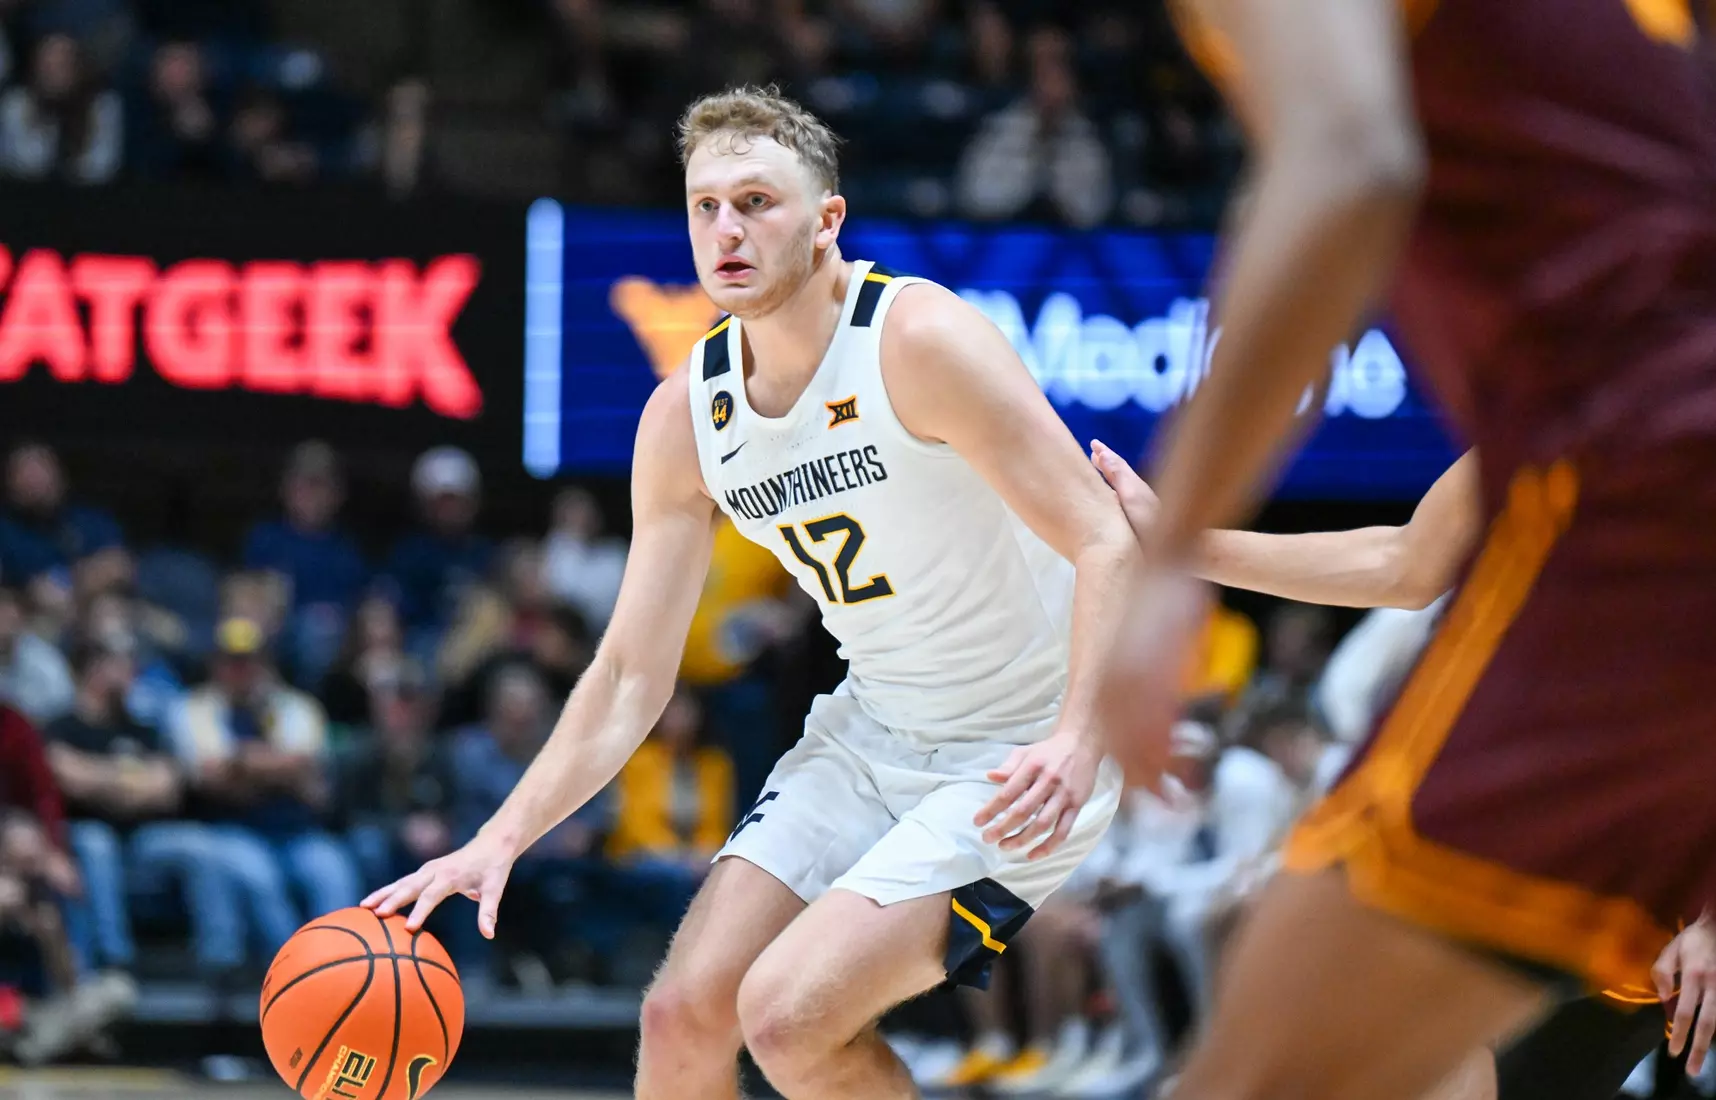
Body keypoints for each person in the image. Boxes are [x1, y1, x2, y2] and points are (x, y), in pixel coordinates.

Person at [364, 83, 1137, 1100]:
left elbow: (1109, 538)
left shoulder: (918, 339)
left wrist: (1079, 737)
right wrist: (501, 833)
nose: (726, 228)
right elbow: (631, 673)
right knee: (681, 1014)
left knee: (787, 1018)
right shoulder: (687, 413)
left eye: (757, 202)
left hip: (1022, 747)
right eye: (705, 205)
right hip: (873, 731)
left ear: (826, 222)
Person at [1095, 442, 1716, 1095]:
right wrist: (1183, 547)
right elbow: (1404, 561)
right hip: (1504, 823)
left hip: (1655, 863)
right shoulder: (1558, 394)